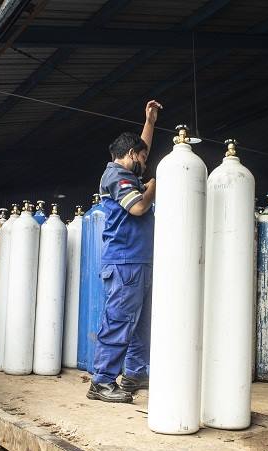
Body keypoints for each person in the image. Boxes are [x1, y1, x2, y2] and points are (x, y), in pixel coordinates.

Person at [87, 100, 162, 403]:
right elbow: (139, 206)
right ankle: (101, 381)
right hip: (125, 261)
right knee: (119, 321)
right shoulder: (117, 177)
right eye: (142, 157)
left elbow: (140, 148)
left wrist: (151, 121)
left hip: (138, 260)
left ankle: (134, 374)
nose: (145, 161)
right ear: (131, 156)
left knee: (140, 323)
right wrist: (155, 184)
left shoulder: (128, 174)